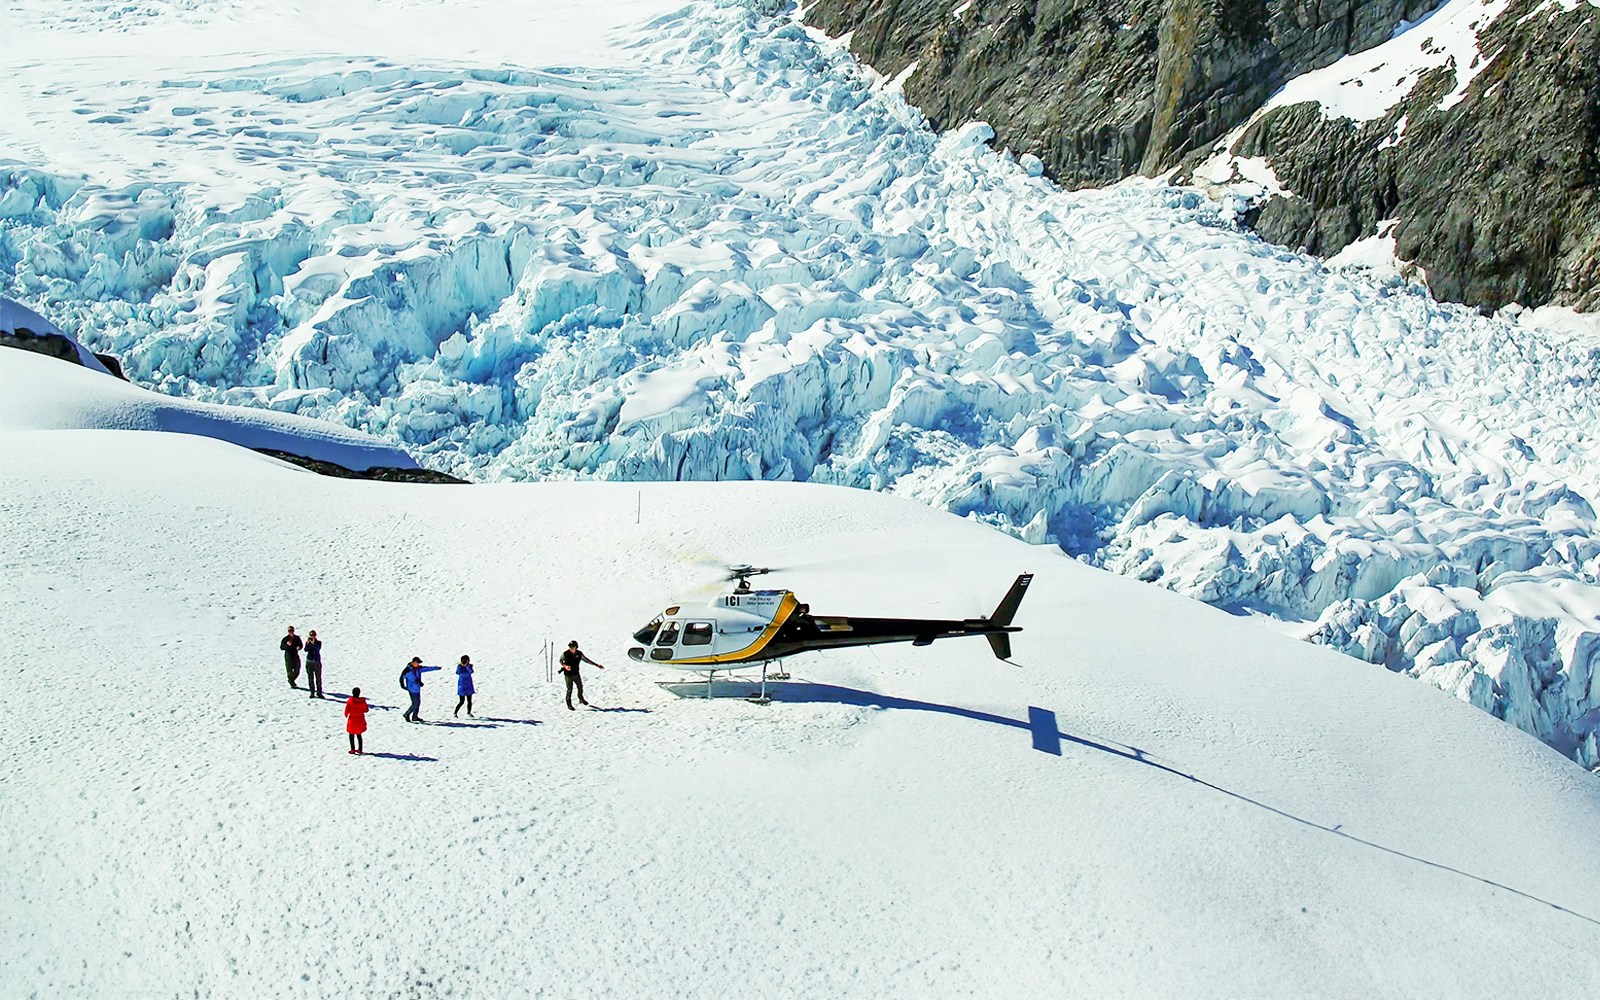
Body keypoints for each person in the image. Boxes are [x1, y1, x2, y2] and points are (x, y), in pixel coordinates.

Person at [559, 640, 604, 710]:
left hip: (576, 673)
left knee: (580, 687)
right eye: (570, 646)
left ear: (576, 647)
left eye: (573, 646)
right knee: (569, 689)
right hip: (568, 675)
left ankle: (581, 698)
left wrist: (596, 665)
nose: (571, 648)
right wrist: (565, 666)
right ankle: (569, 704)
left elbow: (586, 660)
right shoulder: (565, 654)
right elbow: (561, 661)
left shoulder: (579, 654)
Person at [399, 657, 439, 723]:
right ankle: (406, 714)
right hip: (412, 689)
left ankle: (415, 717)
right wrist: (403, 686)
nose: (418, 664)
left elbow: (427, 669)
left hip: (417, 689)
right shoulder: (407, 670)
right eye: (418, 663)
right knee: (415, 703)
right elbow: (401, 678)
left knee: (418, 703)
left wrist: (437, 668)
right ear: (413, 662)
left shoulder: (418, 669)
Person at [344, 686, 369, 755]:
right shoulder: (362, 702)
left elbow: (347, 710)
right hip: (360, 720)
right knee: (359, 735)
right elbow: (366, 710)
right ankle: (360, 749)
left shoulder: (350, 701)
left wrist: (346, 715)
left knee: (351, 735)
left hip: (352, 720)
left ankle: (352, 749)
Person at [304, 630, 325, 699]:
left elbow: (318, 648)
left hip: (316, 661)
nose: (312, 636)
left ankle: (319, 692)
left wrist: (313, 643)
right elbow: (305, 650)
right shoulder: (308, 643)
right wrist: (308, 644)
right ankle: (312, 692)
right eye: (311, 635)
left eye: (313, 635)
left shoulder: (318, 642)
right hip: (309, 661)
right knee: (310, 678)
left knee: (318, 678)